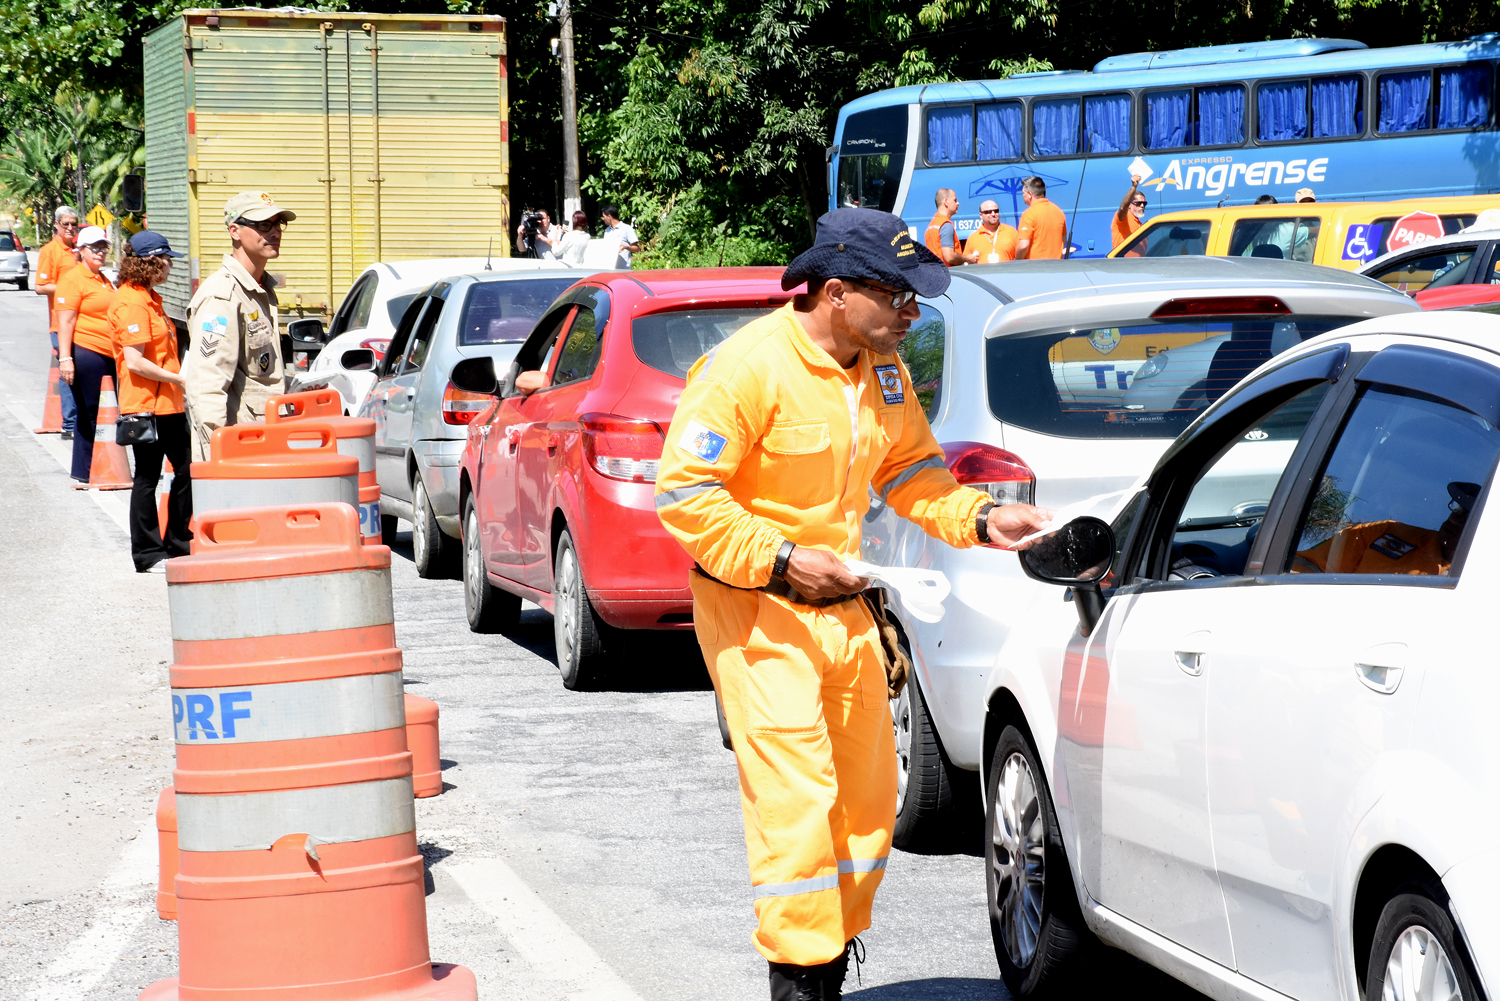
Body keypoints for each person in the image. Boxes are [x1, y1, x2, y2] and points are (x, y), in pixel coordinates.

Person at [654, 207, 1052, 1001]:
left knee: (867, 806)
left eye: (915, 298)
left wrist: (981, 518)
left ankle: (829, 958)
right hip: (758, 613)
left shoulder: (881, 371)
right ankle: (801, 983)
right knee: (798, 807)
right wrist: (783, 559)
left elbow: (910, 472)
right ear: (835, 292)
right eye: (898, 296)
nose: (911, 313)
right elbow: (686, 495)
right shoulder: (747, 369)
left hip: (846, 609)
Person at [182, 191, 295, 461]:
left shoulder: (259, 290)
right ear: (235, 231)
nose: (275, 232)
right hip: (238, 452)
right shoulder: (222, 296)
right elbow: (206, 383)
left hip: (264, 442)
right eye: (263, 225)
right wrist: (216, 454)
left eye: (278, 224)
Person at [110, 231, 191, 573]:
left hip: (168, 403)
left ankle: (178, 542)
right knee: (147, 477)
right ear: (152, 261)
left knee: (187, 470)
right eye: (167, 259)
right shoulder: (132, 302)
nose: (171, 265)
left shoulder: (150, 298)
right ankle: (147, 553)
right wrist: (180, 379)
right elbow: (135, 361)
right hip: (147, 405)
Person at [55, 225, 118, 483]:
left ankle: (98, 466)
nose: (100, 252)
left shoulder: (103, 279)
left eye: (103, 248)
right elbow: (65, 322)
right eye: (94, 248)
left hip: (108, 353)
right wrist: (65, 359)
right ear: (80, 251)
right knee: (91, 412)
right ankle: (87, 469)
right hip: (87, 352)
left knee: (105, 412)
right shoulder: (73, 279)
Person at [35, 206, 81, 439]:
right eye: (65, 224)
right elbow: (40, 286)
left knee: (83, 372)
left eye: (73, 224)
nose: (70, 228)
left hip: (83, 324)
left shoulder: (79, 250)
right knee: (68, 373)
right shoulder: (50, 251)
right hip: (61, 325)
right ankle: (69, 424)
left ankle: (83, 422)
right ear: (56, 225)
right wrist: (69, 288)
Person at [1015, 176, 1067, 260]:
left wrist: (1017, 261)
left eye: (1023, 193)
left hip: (1035, 265)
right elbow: (1063, 240)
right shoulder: (1058, 211)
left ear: (1030, 194)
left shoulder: (1029, 214)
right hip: (1056, 264)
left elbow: (1023, 245)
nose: (1023, 195)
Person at [923, 188, 976, 266]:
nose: (958, 203)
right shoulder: (945, 225)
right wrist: (967, 259)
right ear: (946, 202)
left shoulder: (932, 225)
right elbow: (949, 257)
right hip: (947, 271)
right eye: (955, 200)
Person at [1111, 176, 1149, 251]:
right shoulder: (1125, 218)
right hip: (1123, 258)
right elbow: (1122, 208)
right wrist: (1133, 187)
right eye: (1138, 203)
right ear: (1129, 205)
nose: (1142, 206)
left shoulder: (1140, 225)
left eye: (1144, 203)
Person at [600, 205, 640, 269]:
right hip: (610, 269)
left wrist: (626, 247)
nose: (603, 219)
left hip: (623, 270)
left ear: (609, 216)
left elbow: (637, 249)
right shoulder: (607, 231)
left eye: (604, 216)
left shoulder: (627, 228)